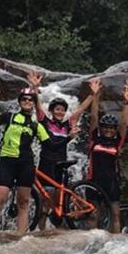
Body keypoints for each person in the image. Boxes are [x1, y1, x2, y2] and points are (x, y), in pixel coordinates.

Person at [27, 72, 98, 229]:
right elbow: (37, 105)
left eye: (62, 110)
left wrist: (92, 95)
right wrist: (34, 87)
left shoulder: (67, 125)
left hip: (61, 165)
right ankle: (42, 231)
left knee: (60, 203)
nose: (60, 112)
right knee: (45, 202)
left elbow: (80, 110)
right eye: (57, 109)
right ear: (52, 111)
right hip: (46, 164)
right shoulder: (44, 122)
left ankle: (60, 228)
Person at [0, 86, 50, 233]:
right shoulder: (9, 117)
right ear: (19, 102)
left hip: (26, 165)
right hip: (7, 162)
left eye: (30, 100)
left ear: (33, 103)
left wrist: (69, 137)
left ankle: (20, 236)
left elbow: (52, 145)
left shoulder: (36, 126)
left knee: (23, 202)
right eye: (24, 99)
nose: (27, 101)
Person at [88, 81, 128, 233]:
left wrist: (126, 102)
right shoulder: (95, 139)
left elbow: (124, 124)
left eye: (111, 128)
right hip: (94, 181)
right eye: (105, 127)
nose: (108, 130)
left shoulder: (117, 143)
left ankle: (115, 243)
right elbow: (94, 118)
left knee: (115, 214)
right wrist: (95, 96)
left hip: (111, 182)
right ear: (101, 129)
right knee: (94, 214)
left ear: (114, 130)